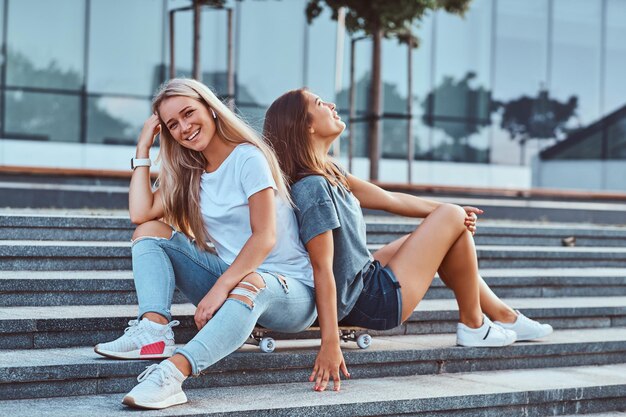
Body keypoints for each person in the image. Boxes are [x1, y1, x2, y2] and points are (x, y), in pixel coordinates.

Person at [263, 88, 553, 393]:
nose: (332, 105)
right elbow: (321, 268)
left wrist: (455, 213)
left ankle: (502, 315)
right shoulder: (313, 189)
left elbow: (390, 199)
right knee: (451, 218)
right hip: (369, 300)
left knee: (452, 222)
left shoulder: (330, 172)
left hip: (362, 278)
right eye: (320, 104)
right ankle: (474, 324)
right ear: (306, 125)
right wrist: (330, 342)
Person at [94, 79, 317, 410]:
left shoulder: (248, 158)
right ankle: (154, 331)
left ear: (211, 109)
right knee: (150, 231)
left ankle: (172, 374)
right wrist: (143, 148)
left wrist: (220, 288)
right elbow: (140, 213)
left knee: (252, 282)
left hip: (291, 291)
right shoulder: (191, 172)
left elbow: (265, 236)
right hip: (234, 279)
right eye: (173, 124)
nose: (184, 128)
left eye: (188, 113)